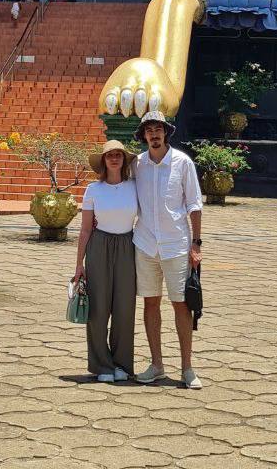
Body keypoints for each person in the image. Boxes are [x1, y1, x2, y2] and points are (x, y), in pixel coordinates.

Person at [132, 109, 203, 389]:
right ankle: (157, 364)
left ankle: (187, 368)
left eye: (158, 129)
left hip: (176, 244)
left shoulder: (182, 162)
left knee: (181, 304)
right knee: (150, 303)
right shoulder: (137, 165)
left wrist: (196, 243)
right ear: (144, 136)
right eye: (149, 130)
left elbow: (194, 204)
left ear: (166, 133)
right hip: (145, 243)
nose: (154, 134)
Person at [72, 141, 138, 383]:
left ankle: (122, 364)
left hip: (128, 245)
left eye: (118, 155)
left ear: (124, 160)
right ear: (103, 161)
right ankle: (102, 365)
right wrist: (79, 265)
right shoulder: (93, 190)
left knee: (124, 307)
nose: (114, 159)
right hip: (99, 245)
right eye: (109, 155)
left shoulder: (134, 186)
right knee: (98, 308)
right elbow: (85, 229)